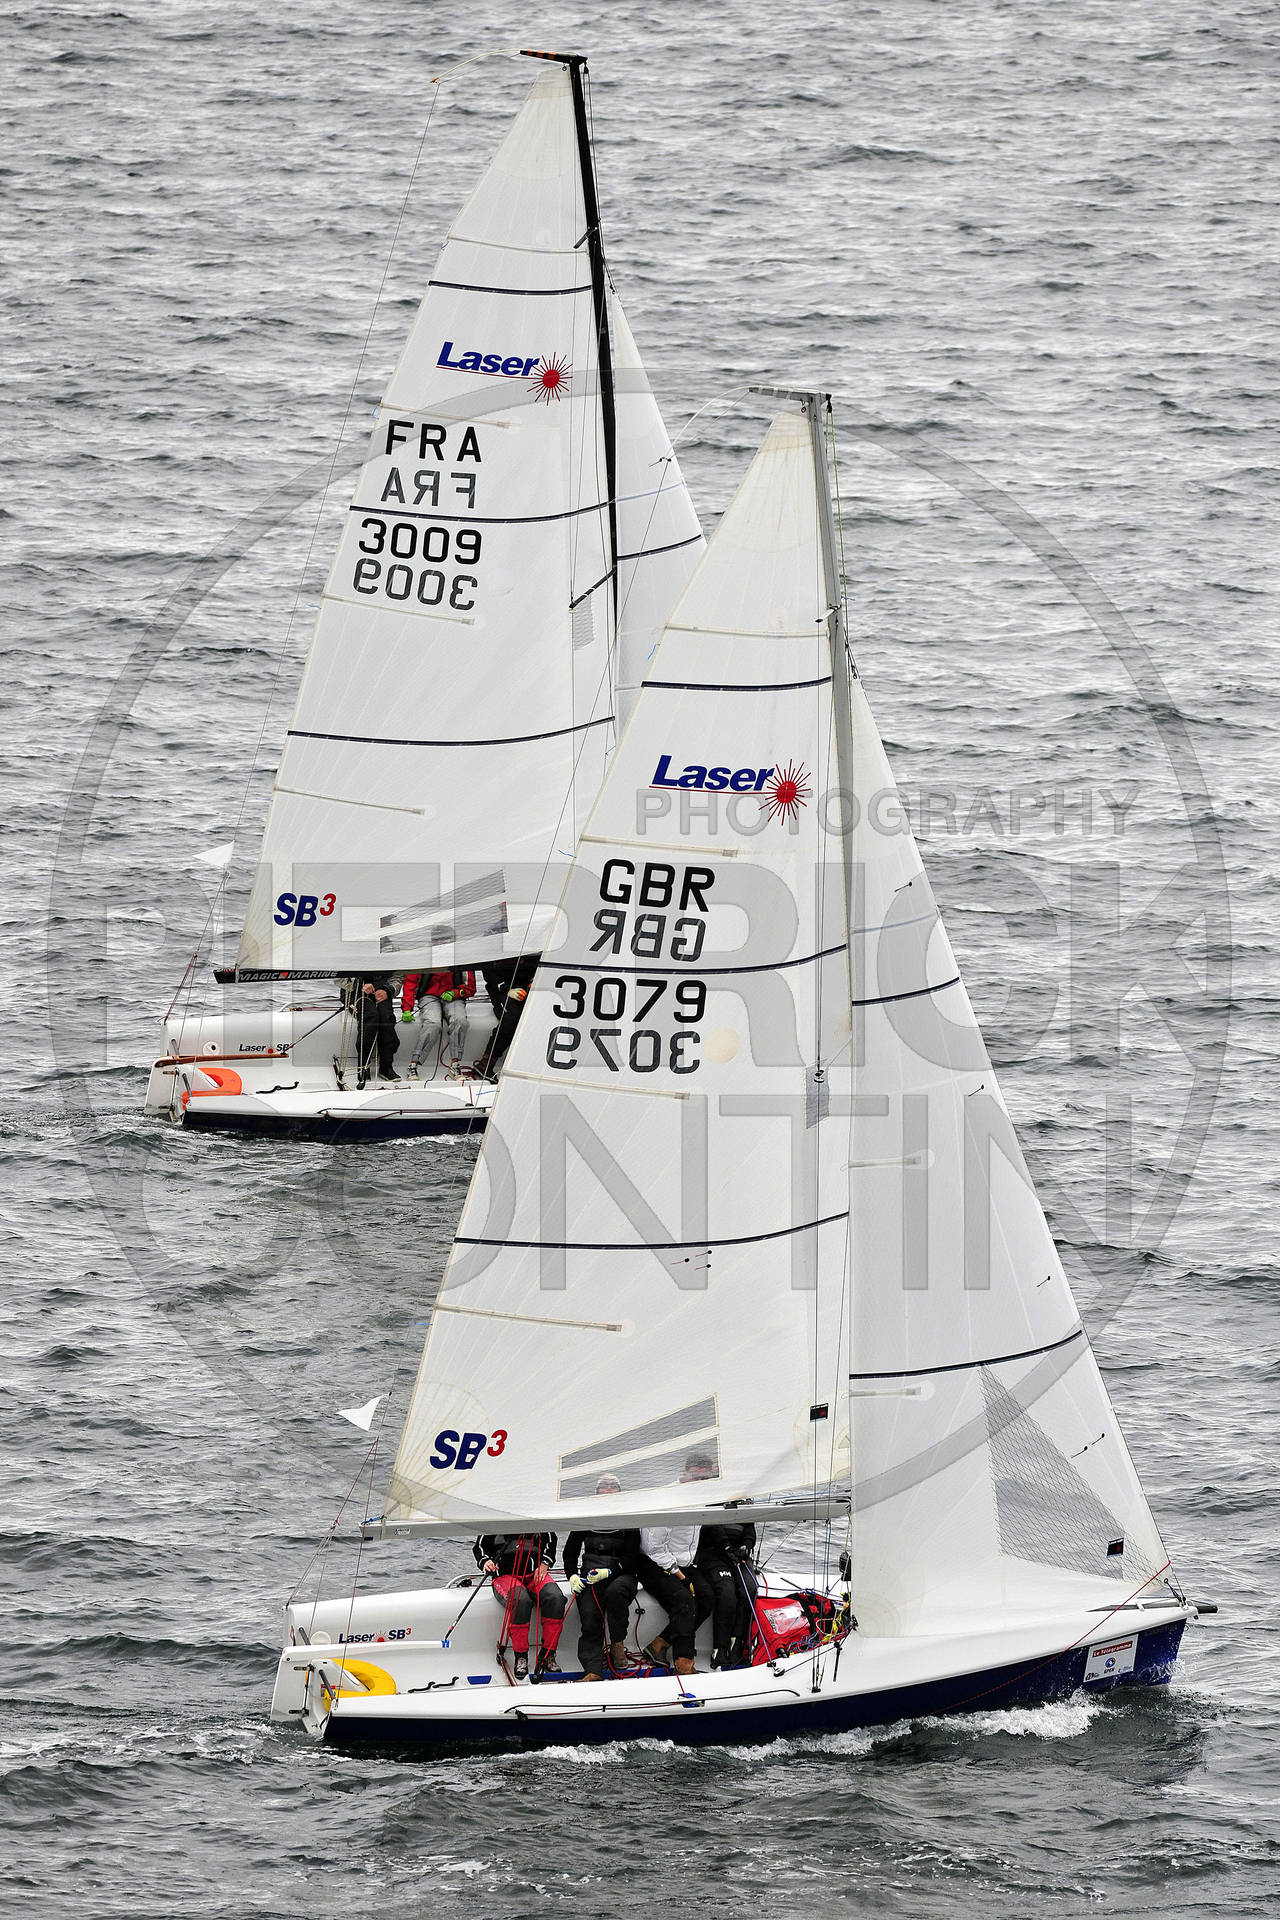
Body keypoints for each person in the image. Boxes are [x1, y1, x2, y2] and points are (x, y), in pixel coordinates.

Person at [563, 1488, 642, 1681]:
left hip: (622, 1574)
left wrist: (610, 1571)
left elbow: (632, 1558)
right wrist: (572, 1576)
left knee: (616, 1592)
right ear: (597, 1493)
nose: (608, 1490)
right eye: (604, 1486)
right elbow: (570, 1554)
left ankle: (617, 1644)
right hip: (591, 1575)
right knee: (590, 1614)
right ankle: (593, 1670)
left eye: (613, 1486)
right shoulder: (585, 1520)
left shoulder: (629, 1521)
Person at [473, 1532, 566, 1680]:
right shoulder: (492, 1523)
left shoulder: (538, 1521)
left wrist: (545, 1563)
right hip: (504, 1576)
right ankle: (521, 1657)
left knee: (556, 1598)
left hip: (534, 1574)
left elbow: (550, 1540)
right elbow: (479, 1547)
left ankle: (548, 1655)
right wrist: (485, 1561)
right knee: (521, 1601)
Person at [692, 1522, 758, 1669]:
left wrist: (746, 1545)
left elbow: (749, 1525)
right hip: (713, 1552)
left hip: (739, 1554)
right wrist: (726, 1546)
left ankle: (737, 1642)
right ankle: (720, 1647)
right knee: (727, 1592)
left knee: (750, 1589)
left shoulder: (744, 1506)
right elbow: (712, 1524)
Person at [402, 968, 476, 1078]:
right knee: (433, 1024)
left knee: (460, 1021)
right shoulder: (422, 960)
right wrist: (407, 1008)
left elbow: (471, 987)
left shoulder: (462, 960)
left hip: (453, 996)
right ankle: (413, 1065)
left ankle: (455, 1064)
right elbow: (410, 982)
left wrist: (455, 993)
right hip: (428, 996)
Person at [475, 954, 539, 1080]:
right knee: (511, 1019)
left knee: (534, 1016)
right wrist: (507, 990)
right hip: (501, 991)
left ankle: (525, 1064)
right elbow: (489, 973)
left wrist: (533, 984)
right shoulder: (495, 951)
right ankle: (485, 1064)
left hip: (526, 989)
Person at [355, 979, 399, 1085]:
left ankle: (386, 1067)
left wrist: (388, 990)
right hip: (357, 992)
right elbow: (340, 979)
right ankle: (363, 1065)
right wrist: (358, 984)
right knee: (371, 1016)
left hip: (382, 990)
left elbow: (398, 977)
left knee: (387, 1018)